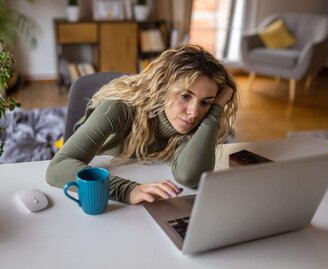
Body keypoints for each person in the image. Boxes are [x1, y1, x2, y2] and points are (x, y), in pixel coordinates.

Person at [46, 45, 238, 205]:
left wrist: (215, 110)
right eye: (185, 96)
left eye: (206, 102)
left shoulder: (194, 122)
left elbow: (191, 176)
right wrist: (127, 190)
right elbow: (58, 166)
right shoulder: (118, 108)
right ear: (163, 89)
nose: (194, 112)